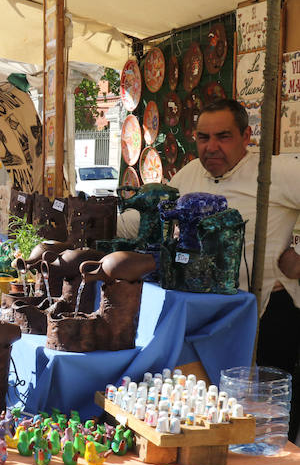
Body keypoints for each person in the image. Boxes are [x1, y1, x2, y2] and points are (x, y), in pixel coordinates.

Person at [118, 99, 300, 438]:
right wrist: (92, 218)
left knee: (266, 424)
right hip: (203, 318)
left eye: (223, 137)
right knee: (211, 411)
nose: (211, 147)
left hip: (264, 315)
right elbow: (138, 220)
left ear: (247, 136)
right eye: (203, 138)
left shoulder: (277, 173)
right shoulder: (191, 174)